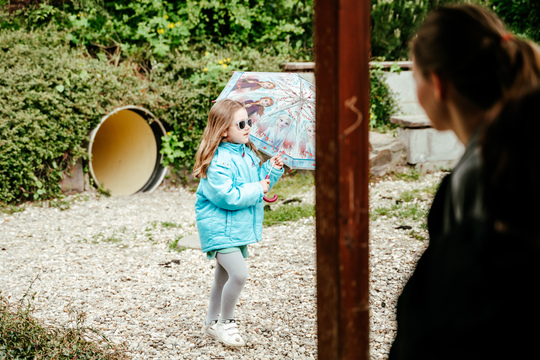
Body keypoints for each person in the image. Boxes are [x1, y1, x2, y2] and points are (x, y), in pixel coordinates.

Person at [389, 4, 540, 359]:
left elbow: (472, 311)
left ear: (437, 84)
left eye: (416, 76)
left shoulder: (484, 170)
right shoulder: (518, 143)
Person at [192, 99, 284, 347]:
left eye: (249, 122)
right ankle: (226, 323)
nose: (248, 127)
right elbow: (229, 197)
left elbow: (256, 183)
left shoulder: (248, 155)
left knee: (222, 278)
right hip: (219, 228)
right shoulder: (218, 162)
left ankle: (211, 323)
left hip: (233, 228)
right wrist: (258, 187)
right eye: (241, 123)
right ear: (224, 130)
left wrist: (271, 171)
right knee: (239, 274)